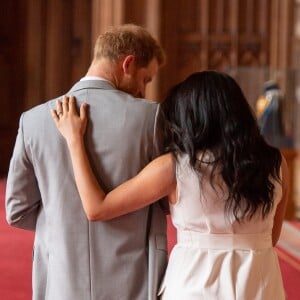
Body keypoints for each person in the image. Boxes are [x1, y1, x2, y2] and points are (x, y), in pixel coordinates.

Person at [52, 70, 289, 300]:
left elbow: (97, 207)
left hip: (195, 285)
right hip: (260, 283)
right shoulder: (276, 163)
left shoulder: (176, 167)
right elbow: (272, 237)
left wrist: (74, 140)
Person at [5, 24, 167, 300]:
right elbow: (166, 201)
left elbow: (17, 210)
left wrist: (64, 221)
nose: (143, 91)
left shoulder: (33, 120)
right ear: (127, 64)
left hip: (61, 279)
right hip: (134, 280)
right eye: (145, 79)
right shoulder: (151, 118)